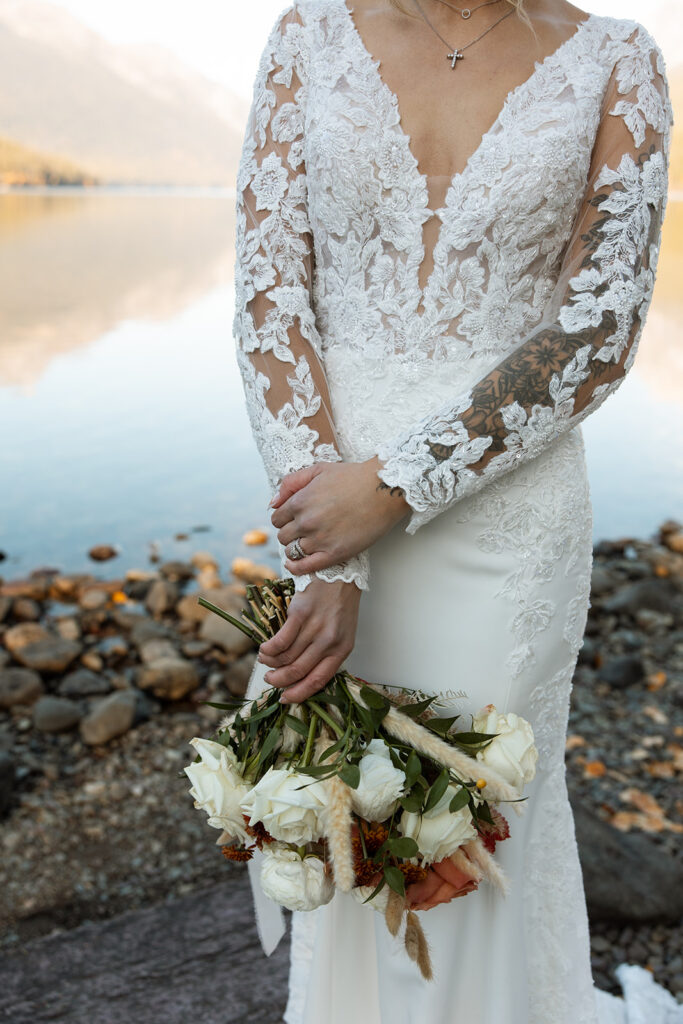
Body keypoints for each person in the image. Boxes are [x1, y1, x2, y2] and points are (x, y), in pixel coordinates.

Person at [232, 0, 677, 1020]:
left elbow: (597, 331)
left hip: (501, 519)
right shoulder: (309, 34)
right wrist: (329, 552)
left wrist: (392, 487)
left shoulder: (614, 60)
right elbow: (269, 295)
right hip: (323, 495)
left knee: (461, 840)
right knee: (344, 816)